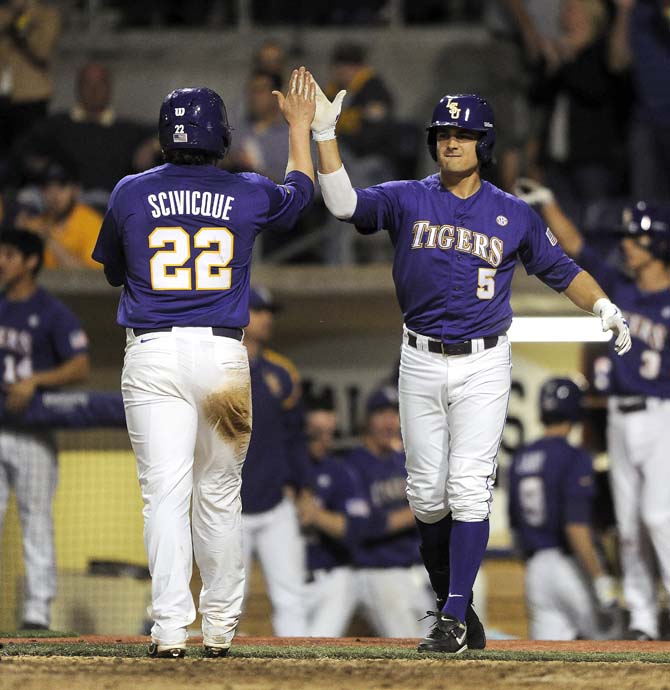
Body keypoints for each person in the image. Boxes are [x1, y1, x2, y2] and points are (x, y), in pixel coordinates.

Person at [309, 84, 631, 653]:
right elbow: (342, 204)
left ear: (484, 144)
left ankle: (453, 618)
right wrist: (324, 135)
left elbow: (560, 268)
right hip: (418, 357)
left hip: (484, 360)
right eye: (443, 133)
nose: (451, 142)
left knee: (469, 490)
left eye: (463, 134)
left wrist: (603, 304)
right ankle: (459, 612)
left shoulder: (513, 213)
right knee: (427, 498)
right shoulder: (408, 196)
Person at [92, 69, 316, 657]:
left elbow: (114, 270)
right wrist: (298, 128)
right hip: (222, 355)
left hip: (153, 354)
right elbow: (301, 197)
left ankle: (169, 628)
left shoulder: (129, 191)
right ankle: (219, 627)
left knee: (164, 494)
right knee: (219, 493)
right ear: (219, 135)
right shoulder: (244, 189)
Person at [514, 178, 670, 641]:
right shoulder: (620, 283)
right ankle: (642, 618)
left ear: (657, 243)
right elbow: (578, 248)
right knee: (628, 524)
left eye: (635, 238)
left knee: (660, 515)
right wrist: (549, 204)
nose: (627, 245)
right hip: (622, 415)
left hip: (664, 413)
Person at [0, 228, 90, 630]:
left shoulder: (51, 311)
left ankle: (37, 611)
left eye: (9, 254)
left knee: (36, 519)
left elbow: (80, 365)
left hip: (35, 432)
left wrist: (36, 380)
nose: (2, 261)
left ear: (31, 261)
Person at [508, 376, 619, 639]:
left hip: (536, 570)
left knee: (550, 660)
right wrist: (600, 578)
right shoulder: (575, 456)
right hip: (571, 565)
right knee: (613, 644)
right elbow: (576, 527)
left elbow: (514, 528)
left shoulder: (521, 458)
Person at [240, 286, 312, 636]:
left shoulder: (283, 372)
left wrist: (304, 487)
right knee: (225, 600)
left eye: (270, 311)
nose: (267, 318)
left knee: (290, 597)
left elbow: (295, 437)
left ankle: (296, 673)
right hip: (227, 505)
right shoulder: (217, 363)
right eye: (259, 310)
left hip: (275, 504)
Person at [343, 386, 435, 638]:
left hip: (414, 570)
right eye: (381, 413)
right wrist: (417, 512)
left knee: (439, 641)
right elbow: (365, 527)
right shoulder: (353, 465)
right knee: (407, 644)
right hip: (376, 571)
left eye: (395, 413)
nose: (389, 421)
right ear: (367, 420)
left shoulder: (404, 461)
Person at [14, 62, 156, 200]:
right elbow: (22, 149)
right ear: (78, 88)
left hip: (102, 201)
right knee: (27, 198)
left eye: (100, 83)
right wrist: (35, 164)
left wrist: (153, 145)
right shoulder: (57, 123)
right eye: (87, 84)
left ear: (109, 88)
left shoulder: (126, 129)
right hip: (57, 198)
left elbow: (175, 134)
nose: (94, 89)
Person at [298, 391, 368, 636]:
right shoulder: (282, 471)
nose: (324, 440)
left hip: (332, 577)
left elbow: (356, 530)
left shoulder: (340, 471)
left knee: (315, 648)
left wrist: (316, 515)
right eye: (317, 432)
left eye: (330, 432)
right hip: (289, 580)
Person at [16, 157, 103, 269]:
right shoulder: (34, 225)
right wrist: (17, 238)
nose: (54, 194)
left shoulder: (92, 223)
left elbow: (92, 278)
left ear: (75, 189)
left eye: (62, 185)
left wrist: (48, 241)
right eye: (47, 187)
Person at [0, 0, 60, 156]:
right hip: (3, 96)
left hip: (31, 98)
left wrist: (19, 30)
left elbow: (42, 53)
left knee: (29, 153)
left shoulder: (46, 15)